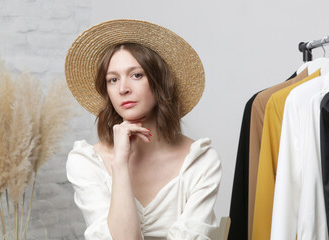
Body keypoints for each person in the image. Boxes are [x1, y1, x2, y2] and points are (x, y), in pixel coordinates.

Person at [65, 19, 222, 240]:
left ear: (159, 82)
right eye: (112, 79)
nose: (123, 89)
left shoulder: (200, 161)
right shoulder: (86, 161)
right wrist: (120, 164)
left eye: (136, 75)